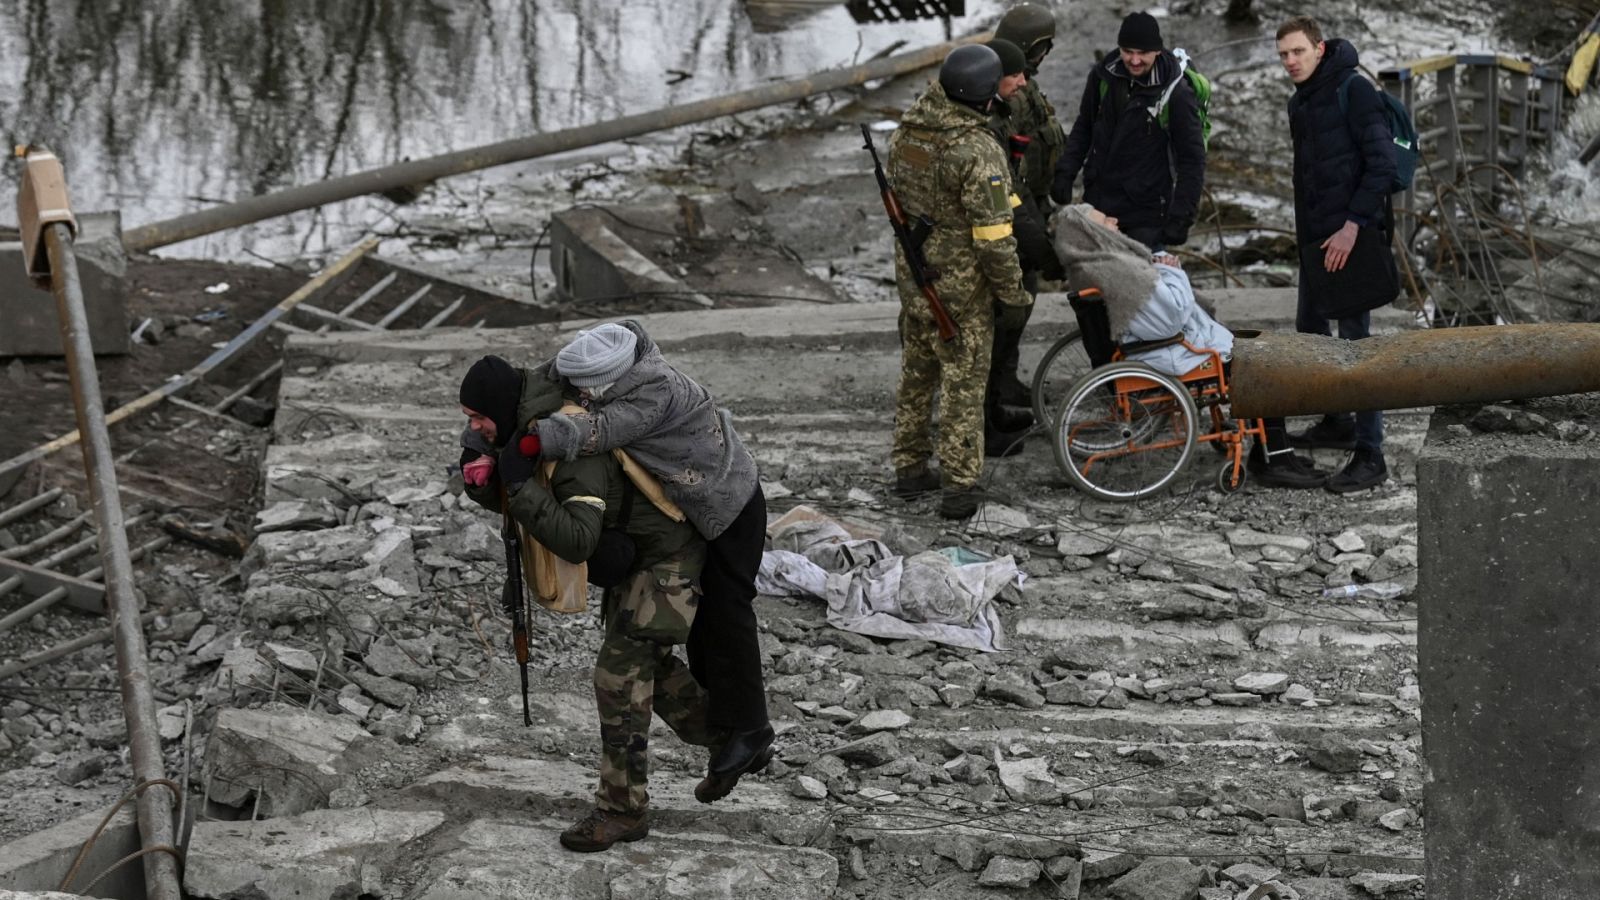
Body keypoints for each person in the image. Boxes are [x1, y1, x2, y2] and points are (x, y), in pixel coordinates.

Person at [459, 357, 723, 852]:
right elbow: (540, 496)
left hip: (669, 559)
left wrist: (514, 485)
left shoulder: (568, 439)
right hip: (639, 557)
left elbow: (578, 539)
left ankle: (622, 812)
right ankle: (731, 740)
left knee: (618, 677)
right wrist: (486, 486)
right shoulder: (523, 429)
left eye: (478, 417)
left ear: (500, 406)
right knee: (650, 668)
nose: (472, 427)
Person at [506, 323, 774, 802]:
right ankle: (729, 735)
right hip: (692, 509)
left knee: (728, 612)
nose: (580, 396)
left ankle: (750, 730)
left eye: (588, 391)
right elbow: (547, 380)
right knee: (699, 624)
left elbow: (598, 431)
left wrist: (524, 447)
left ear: (611, 379)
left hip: (730, 502)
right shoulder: (602, 356)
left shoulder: (657, 391)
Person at [1052, 204, 1328, 488]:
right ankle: (1275, 460)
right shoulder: (1117, 270)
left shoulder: (1099, 264)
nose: (1114, 218)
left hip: (1158, 347)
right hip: (1169, 351)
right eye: (1104, 220)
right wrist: (1171, 268)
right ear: (1093, 233)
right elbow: (1171, 317)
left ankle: (1273, 451)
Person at [886, 44, 1033, 519]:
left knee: (916, 376)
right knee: (963, 387)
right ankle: (960, 488)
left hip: (916, 282)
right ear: (987, 95)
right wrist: (1013, 293)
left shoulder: (908, 132)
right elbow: (993, 238)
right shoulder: (977, 150)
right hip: (962, 292)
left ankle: (909, 470)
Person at [1278, 16, 1395, 492]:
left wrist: (1352, 227)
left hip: (1351, 239)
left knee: (1356, 348)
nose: (1290, 62)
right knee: (1312, 333)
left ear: (1319, 48)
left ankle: (1372, 453)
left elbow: (1383, 164)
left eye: (1298, 52)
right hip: (1315, 244)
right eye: (1283, 55)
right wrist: (1307, 243)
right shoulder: (1299, 102)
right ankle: (1337, 419)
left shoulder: (1355, 90)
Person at [1051, 11, 1206, 254]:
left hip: (1146, 214)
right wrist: (1066, 172)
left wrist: (1181, 217)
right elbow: (1084, 127)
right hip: (1098, 206)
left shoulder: (1176, 95)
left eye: (1142, 53)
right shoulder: (1103, 76)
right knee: (1095, 286)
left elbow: (1192, 160)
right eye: (1128, 51)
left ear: (1157, 50)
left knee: (1138, 288)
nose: (1134, 60)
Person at [984, 37, 1066, 438]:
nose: (1022, 83)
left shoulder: (993, 118)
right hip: (982, 253)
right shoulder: (982, 134)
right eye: (1014, 75)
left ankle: (993, 404)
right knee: (984, 341)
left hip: (1005, 235)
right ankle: (985, 422)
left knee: (1007, 322)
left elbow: (1015, 192)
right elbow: (1007, 200)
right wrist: (1046, 256)